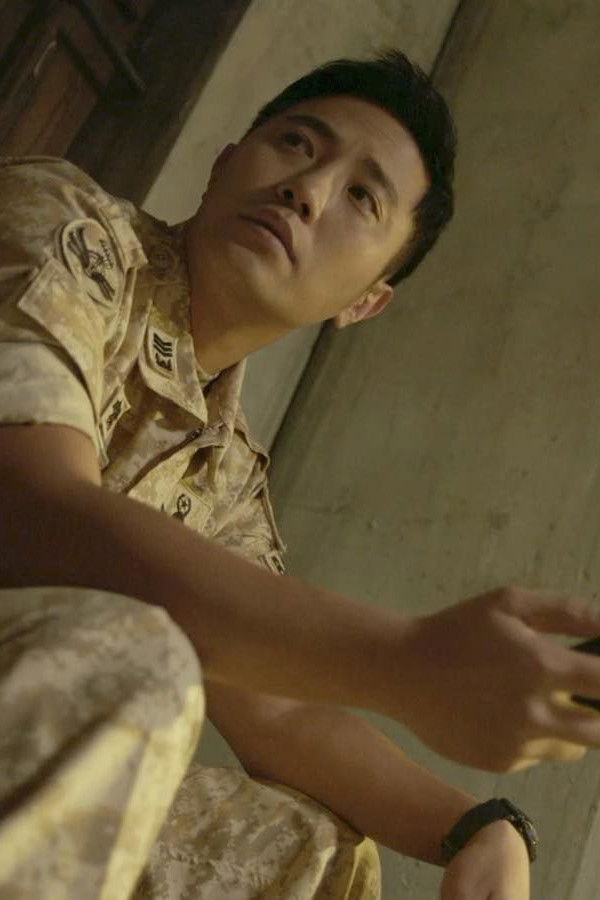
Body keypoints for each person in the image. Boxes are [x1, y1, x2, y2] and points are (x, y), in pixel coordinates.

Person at [0, 48, 599, 900]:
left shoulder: (227, 476)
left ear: (366, 301)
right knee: (136, 652)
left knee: (312, 854)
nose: (307, 189)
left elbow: (277, 707)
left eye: (362, 197)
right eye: (295, 144)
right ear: (223, 166)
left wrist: (483, 825)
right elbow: (35, 508)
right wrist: (409, 661)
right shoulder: (65, 226)